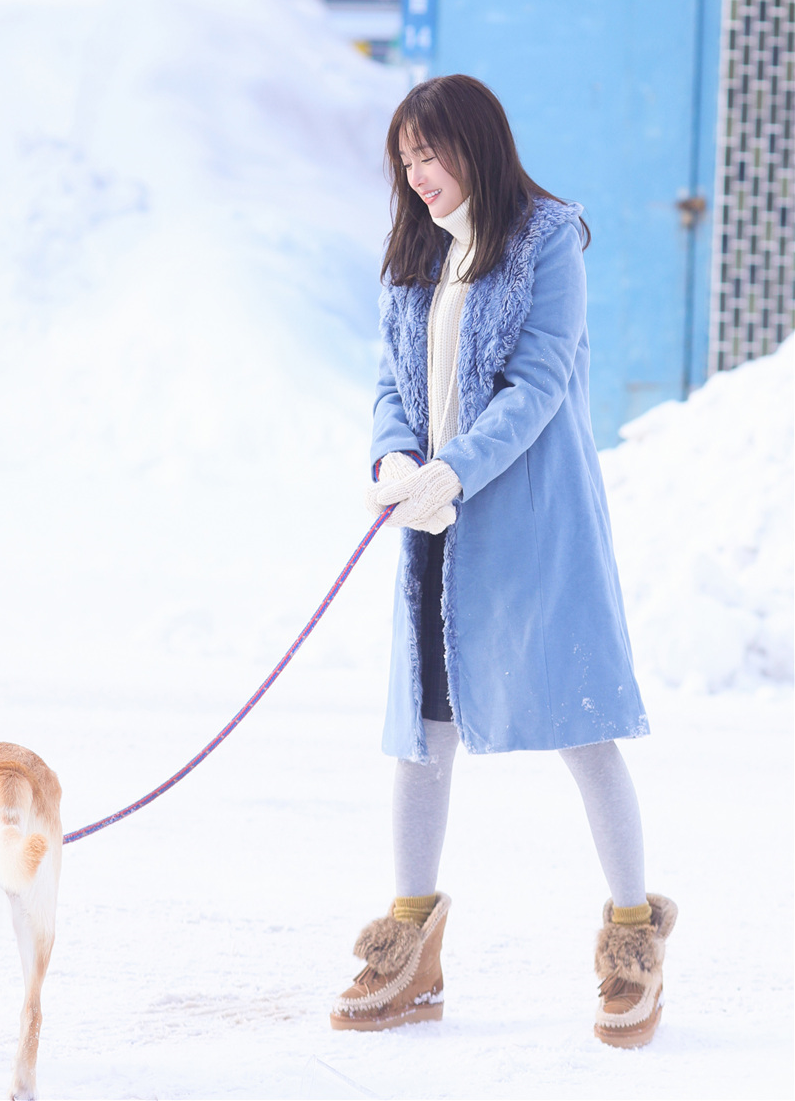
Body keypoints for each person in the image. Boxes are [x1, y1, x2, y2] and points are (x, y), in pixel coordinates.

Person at [330, 75, 676, 1048]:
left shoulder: (546, 238)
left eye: (430, 155)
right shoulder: (414, 251)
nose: (418, 176)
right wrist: (397, 456)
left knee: (581, 721)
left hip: (529, 521)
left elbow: (537, 383)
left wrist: (453, 470)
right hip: (435, 527)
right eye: (404, 160)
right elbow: (393, 381)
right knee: (425, 732)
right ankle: (411, 936)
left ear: (474, 144)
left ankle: (632, 932)